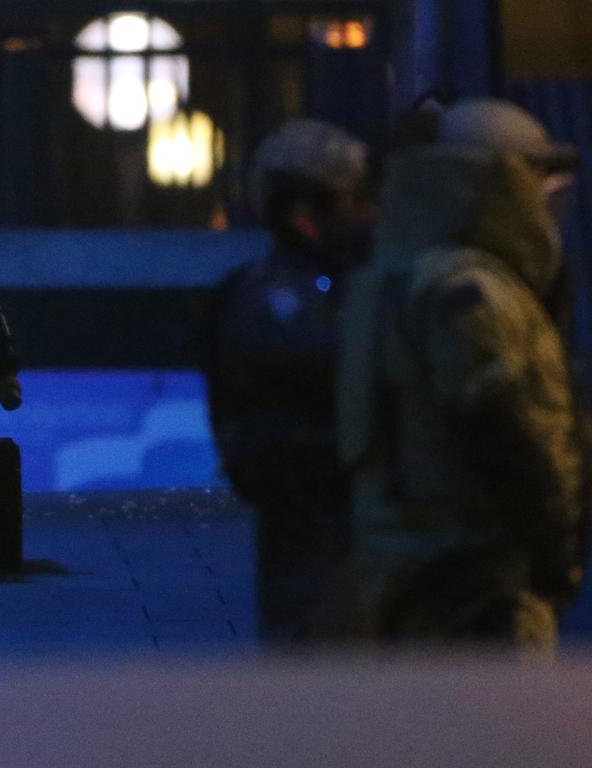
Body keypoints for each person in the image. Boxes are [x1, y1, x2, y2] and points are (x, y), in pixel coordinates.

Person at [335, 99, 592, 654]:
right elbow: (503, 434)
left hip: (414, 566)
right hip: (479, 580)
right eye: (540, 175)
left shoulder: (402, 279)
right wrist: (556, 554)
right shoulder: (473, 291)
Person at [204, 119, 378, 643]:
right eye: (354, 200)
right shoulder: (280, 301)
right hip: (324, 526)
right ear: (306, 214)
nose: (369, 212)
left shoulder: (346, 287)